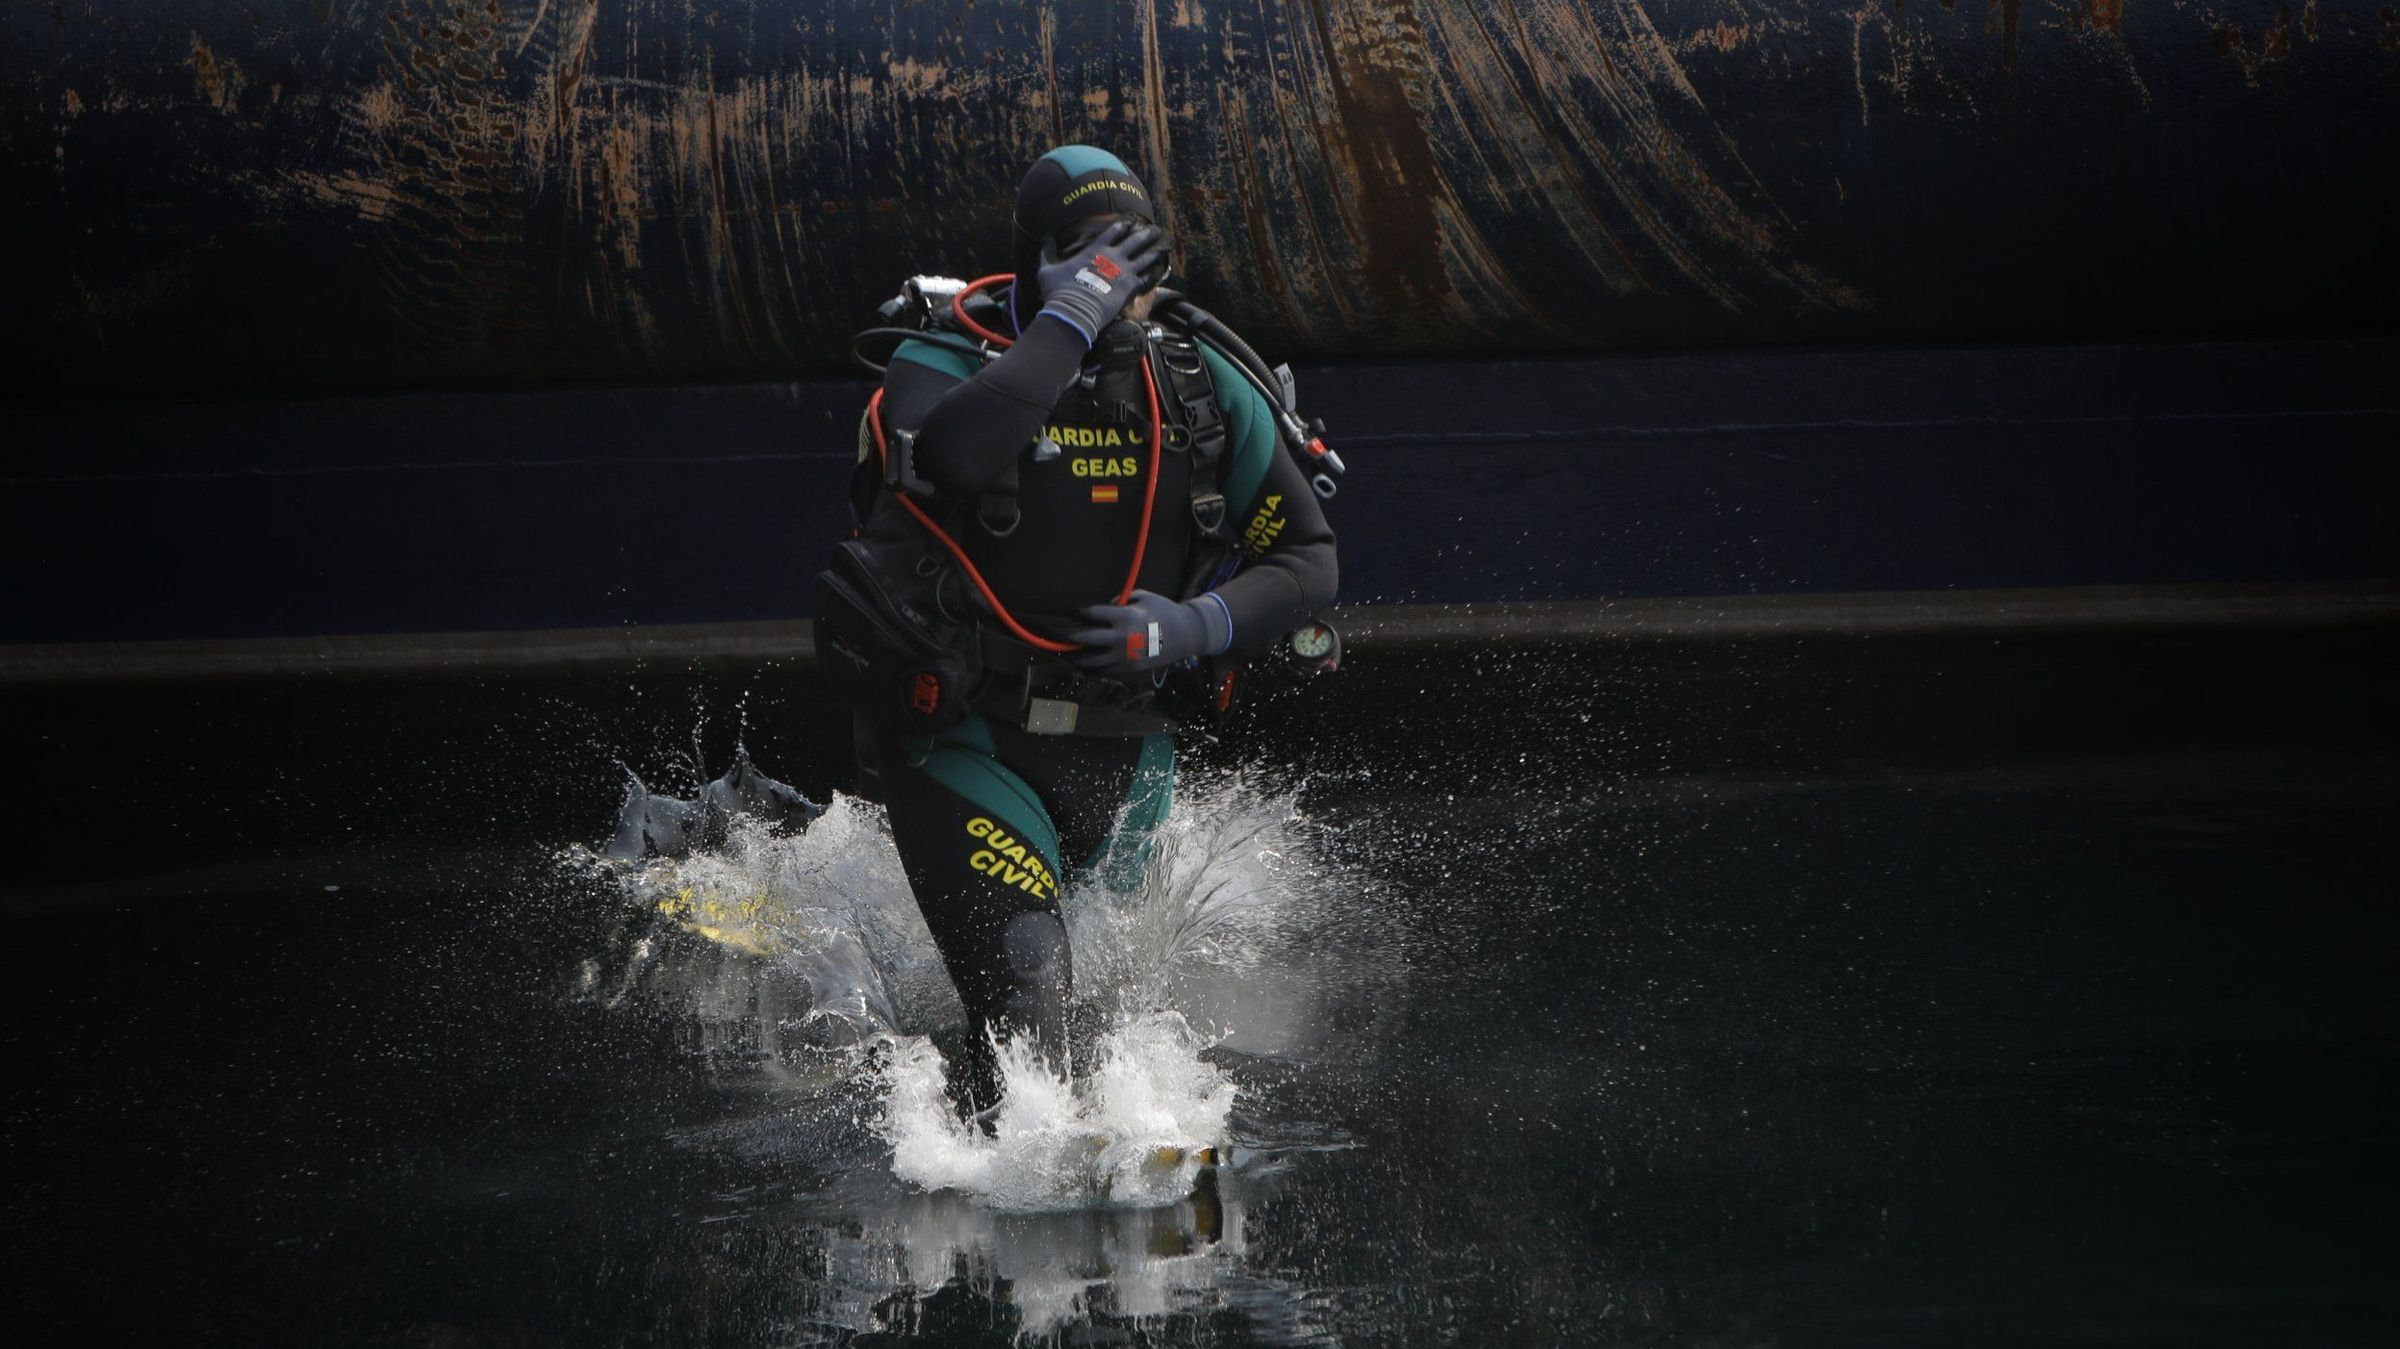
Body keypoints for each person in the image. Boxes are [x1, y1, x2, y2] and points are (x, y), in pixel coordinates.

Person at [839, 145, 1338, 1120]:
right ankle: (1016, 1195)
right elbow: (950, 457)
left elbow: (1310, 558)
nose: (1116, 280)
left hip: (1129, 750)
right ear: (1036, 262)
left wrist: (1195, 626)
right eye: (1084, 253)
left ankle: (1111, 1184)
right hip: (974, 738)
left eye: (1131, 257)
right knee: (1030, 996)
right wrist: (1068, 317)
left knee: (1108, 1020)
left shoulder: (1197, 384)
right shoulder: (940, 365)